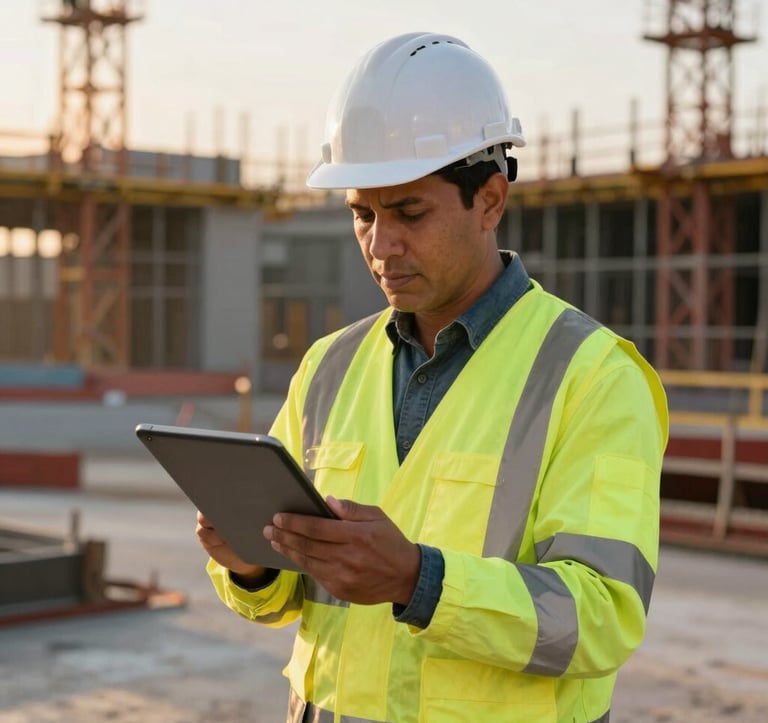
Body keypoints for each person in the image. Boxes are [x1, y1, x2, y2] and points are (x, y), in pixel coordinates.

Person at [197, 31, 669, 723]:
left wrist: (422, 581)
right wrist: (250, 563)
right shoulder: (328, 367)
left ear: (490, 199)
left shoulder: (591, 376)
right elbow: (284, 597)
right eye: (363, 214)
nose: (381, 245)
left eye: (410, 213)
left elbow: (600, 616)